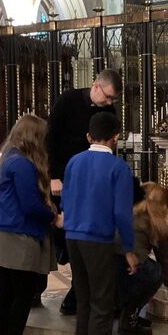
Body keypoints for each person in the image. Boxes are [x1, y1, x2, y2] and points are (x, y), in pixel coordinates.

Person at [41, 68, 123, 315]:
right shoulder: (68, 100)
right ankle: (40, 287)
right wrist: (53, 175)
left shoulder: (107, 111)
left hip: (91, 181)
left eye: (112, 100)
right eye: (107, 97)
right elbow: (50, 137)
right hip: (63, 178)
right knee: (61, 236)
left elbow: (111, 145)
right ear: (96, 86)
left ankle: (78, 292)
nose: (108, 103)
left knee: (83, 237)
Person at [62, 112, 139, 335]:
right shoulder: (118, 168)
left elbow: (66, 200)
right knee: (102, 304)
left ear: (88, 136)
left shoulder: (74, 161)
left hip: (73, 237)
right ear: (116, 137)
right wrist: (129, 249)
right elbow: (122, 214)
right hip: (98, 240)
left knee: (83, 301)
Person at [0, 114, 58, 335]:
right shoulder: (23, 164)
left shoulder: (8, 157)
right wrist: (53, 215)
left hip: (2, 231)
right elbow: (29, 206)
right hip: (17, 234)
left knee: (7, 292)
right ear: (34, 138)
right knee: (22, 294)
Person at [116, 182, 168, 335]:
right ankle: (129, 319)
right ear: (164, 206)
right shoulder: (158, 223)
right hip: (130, 262)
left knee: (145, 273)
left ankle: (128, 314)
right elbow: (163, 257)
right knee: (154, 273)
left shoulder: (134, 211)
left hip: (109, 259)